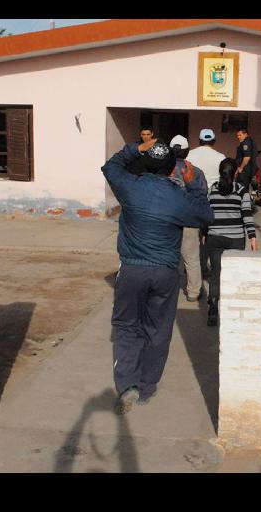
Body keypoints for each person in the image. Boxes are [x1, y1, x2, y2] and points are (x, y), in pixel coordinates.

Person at [101, 137, 213, 415]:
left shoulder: (129, 186)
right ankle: (146, 387)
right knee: (158, 330)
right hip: (165, 272)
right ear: (171, 169)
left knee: (127, 326)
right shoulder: (179, 196)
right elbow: (206, 215)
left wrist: (134, 148)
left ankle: (127, 384)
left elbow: (110, 166)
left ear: (147, 164)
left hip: (132, 269)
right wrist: (195, 185)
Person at [205, 158, 258, 326]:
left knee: (215, 273)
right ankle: (233, 312)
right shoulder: (242, 191)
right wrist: (253, 238)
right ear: (236, 172)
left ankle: (213, 307)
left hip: (214, 238)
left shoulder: (212, 190)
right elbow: (247, 215)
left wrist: (205, 233)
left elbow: (207, 214)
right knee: (234, 274)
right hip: (236, 239)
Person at [169, 134, 208, 302]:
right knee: (192, 258)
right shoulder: (196, 172)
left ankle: (167, 289)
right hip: (189, 221)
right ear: (187, 152)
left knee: (168, 256)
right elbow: (202, 195)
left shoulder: (164, 171)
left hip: (167, 220)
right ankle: (193, 292)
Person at [186, 128, 226, 278]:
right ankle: (204, 266)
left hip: (193, 199)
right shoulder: (221, 157)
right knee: (208, 235)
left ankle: (192, 267)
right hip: (213, 201)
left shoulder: (190, 154)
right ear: (213, 141)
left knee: (193, 237)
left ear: (200, 140)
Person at [234, 128, 258, 192]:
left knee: (241, 190)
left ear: (246, 134)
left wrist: (241, 168)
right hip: (248, 170)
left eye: (240, 135)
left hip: (244, 171)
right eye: (237, 135)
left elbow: (247, 157)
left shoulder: (246, 143)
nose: (238, 137)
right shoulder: (250, 141)